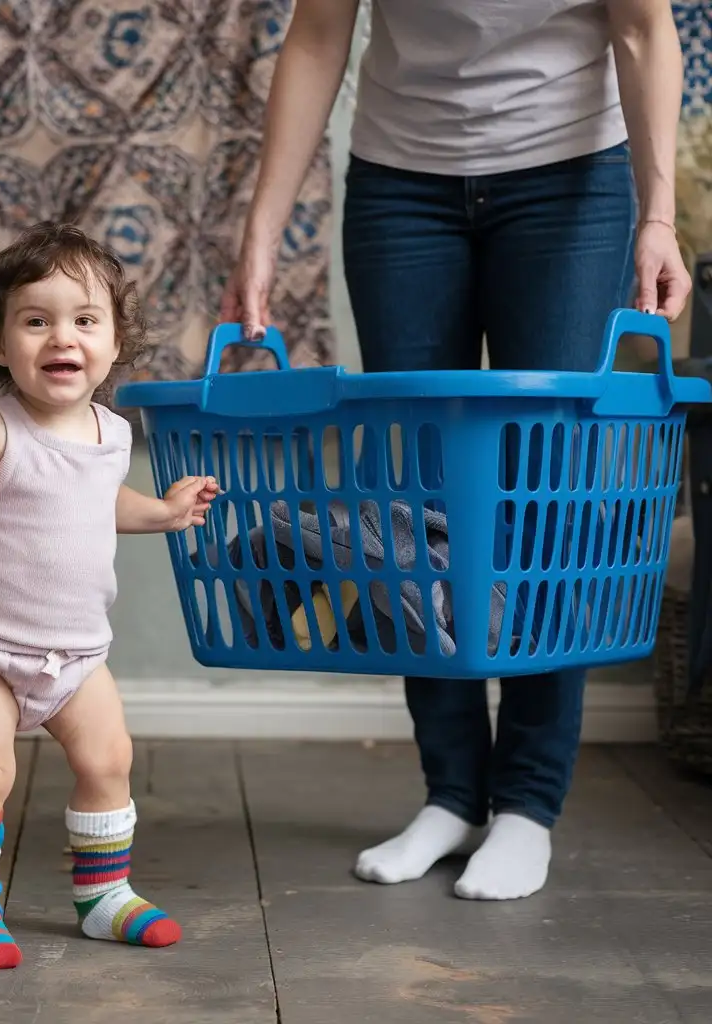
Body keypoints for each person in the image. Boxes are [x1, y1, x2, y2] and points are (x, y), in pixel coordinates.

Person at [222, 0, 693, 901]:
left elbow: (641, 30)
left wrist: (657, 214)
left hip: (571, 176)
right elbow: (319, 34)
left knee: (543, 493)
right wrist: (262, 231)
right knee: (411, 494)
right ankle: (451, 793)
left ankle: (525, 805)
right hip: (401, 183)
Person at [0, 223, 219, 968]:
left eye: (85, 320)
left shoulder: (111, 434)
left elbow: (97, 504)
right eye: (36, 320)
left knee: (109, 758)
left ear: (114, 344)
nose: (63, 337)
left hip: (77, 654)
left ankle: (103, 898)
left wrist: (165, 512)